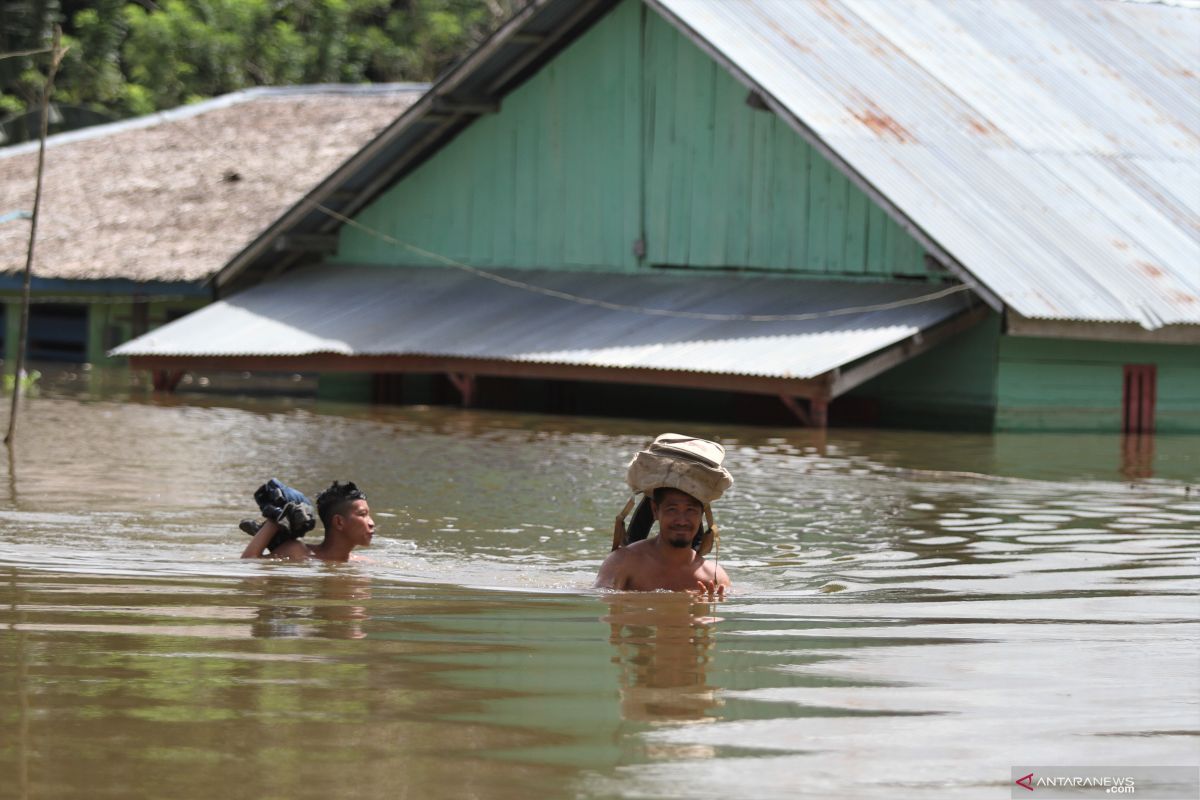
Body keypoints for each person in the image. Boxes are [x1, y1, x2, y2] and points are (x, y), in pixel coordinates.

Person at [594, 486, 730, 595]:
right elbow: (605, 604)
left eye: (690, 510)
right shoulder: (623, 562)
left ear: (702, 514)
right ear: (655, 510)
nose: (682, 521)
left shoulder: (714, 576)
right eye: (672, 510)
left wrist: (707, 611)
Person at [242, 481, 375, 562]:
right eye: (363, 514)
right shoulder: (298, 552)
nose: (371, 523)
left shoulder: (362, 564)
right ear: (339, 522)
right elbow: (249, 563)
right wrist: (275, 520)